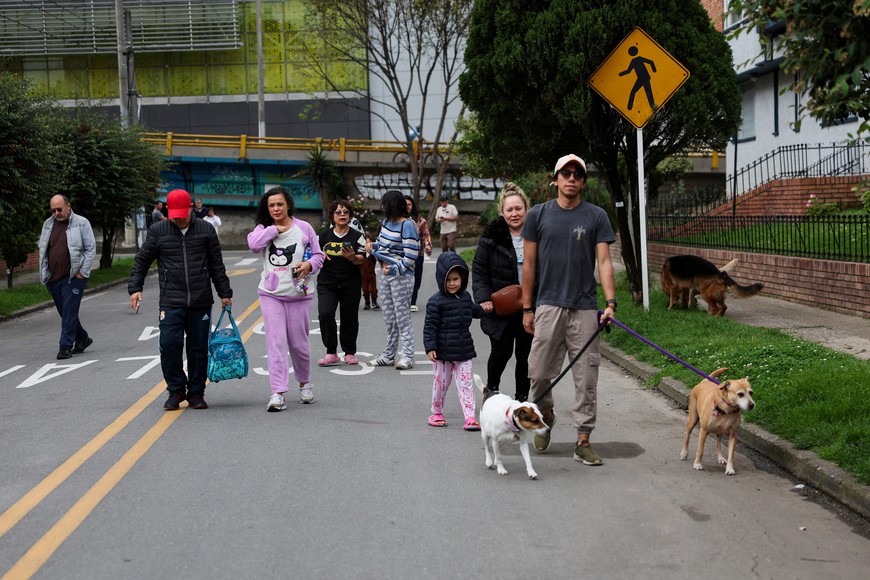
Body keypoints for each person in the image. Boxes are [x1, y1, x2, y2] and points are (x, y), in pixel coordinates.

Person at [522, 154, 617, 466]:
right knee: (537, 373)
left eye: (578, 174)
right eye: (566, 173)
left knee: (586, 377)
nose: (572, 178)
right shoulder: (538, 215)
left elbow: (603, 262)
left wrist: (610, 303)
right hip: (548, 305)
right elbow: (530, 264)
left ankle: (583, 439)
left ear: (583, 181)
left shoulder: (596, 216)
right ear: (556, 178)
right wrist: (527, 307)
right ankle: (545, 413)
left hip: (585, 308)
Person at [128, 189, 233, 411]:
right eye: (174, 214)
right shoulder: (158, 231)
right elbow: (142, 261)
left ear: (191, 209)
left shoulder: (206, 230)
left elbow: (216, 264)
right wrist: (135, 288)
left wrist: (225, 293)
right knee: (169, 346)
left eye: (182, 214)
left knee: (197, 348)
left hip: (200, 301)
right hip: (170, 301)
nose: (178, 219)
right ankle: (176, 390)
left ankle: (196, 392)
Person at [247, 186, 325, 412]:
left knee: (299, 345)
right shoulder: (264, 229)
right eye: (271, 205)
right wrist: (273, 231)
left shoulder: (304, 228)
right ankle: (278, 392)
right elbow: (253, 245)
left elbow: (319, 255)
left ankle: (304, 384)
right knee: (275, 343)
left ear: (288, 204)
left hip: (299, 295)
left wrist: (309, 264)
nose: (276, 208)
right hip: (271, 295)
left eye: (279, 204)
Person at [472, 182, 533, 402]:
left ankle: (522, 400)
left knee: (526, 356)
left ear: (526, 208)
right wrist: (483, 299)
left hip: (530, 306)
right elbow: (479, 270)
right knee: (502, 351)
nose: (514, 213)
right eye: (510, 209)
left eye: (518, 208)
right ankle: (492, 391)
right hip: (501, 307)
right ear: (502, 212)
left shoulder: (537, 234)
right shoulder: (492, 237)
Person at [424, 252, 490, 430]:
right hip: (442, 353)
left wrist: (485, 309)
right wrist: (430, 347)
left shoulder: (466, 297)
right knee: (441, 384)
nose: (452, 283)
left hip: (463, 349)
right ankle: (436, 412)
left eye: (456, 279)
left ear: (462, 279)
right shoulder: (435, 302)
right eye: (448, 280)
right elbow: (430, 326)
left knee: (466, 384)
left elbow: (473, 310)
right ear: (441, 280)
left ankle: (470, 417)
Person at [38, 194, 96, 360]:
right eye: (53, 210)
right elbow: (43, 250)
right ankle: (83, 338)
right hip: (53, 278)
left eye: (59, 209)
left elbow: (90, 249)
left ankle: (65, 347)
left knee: (70, 311)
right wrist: (45, 274)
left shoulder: (81, 223)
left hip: (73, 277)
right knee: (65, 312)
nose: (56, 213)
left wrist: (82, 273)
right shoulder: (48, 225)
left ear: (68, 206)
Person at [367, 189, 419, 370]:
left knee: (402, 317)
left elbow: (411, 256)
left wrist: (395, 268)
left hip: (401, 277)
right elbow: (381, 243)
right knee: (389, 317)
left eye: (385, 204)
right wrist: (372, 245)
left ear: (393, 205)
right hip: (385, 274)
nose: (382, 207)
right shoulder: (387, 222)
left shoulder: (408, 225)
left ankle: (407, 355)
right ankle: (389, 355)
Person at [316, 200, 366, 366]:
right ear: (332, 216)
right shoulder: (322, 236)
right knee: (325, 313)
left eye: (345, 212)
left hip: (350, 282)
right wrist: (319, 256)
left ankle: (349, 352)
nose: (342, 215)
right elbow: (311, 255)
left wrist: (353, 258)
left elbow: (362, 259)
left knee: (349, 318)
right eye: (338, 212)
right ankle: (331, 352)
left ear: (350, 216)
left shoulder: (357, 237)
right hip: (327, 283)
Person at [404, 194, 432, 312]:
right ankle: (403, 301)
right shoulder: (396, 219)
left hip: (417, 254)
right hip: (402, 254)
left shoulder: (420, 220)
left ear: (413, 206)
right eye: (405, 205)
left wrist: (428, 246)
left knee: (416, 278)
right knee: (403, 278)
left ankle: (412, 301)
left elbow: (426, 234)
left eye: (409, 204)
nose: (407, 207)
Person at [360, 234, 380, 311]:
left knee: (373, 289)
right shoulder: (361, 253)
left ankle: (374, 302)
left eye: (369, 243)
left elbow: (375, 260)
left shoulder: (373, 253)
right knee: (365, 289)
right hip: (363, 275)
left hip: (371, 274)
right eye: (366, 243)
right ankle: (367, 303)